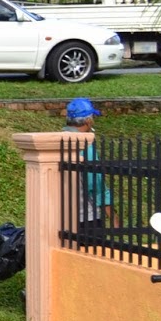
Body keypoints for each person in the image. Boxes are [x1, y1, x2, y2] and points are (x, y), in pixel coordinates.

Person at [63, 96, 112, 240]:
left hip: (62, 216)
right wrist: (113, 218)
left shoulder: (59, 139)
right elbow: (95, 185)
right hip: (87, 217)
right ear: (88, 121)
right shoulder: (85, 145)